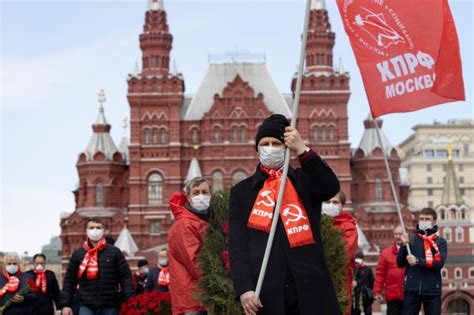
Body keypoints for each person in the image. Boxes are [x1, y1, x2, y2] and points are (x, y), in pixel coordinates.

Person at [229, 114, 341, 315]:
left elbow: (330, 187)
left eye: (276, 143)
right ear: (257, 149)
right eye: (265, 143)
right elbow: (238, 245)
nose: (270, 148)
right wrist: (244, 288)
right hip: (266, 292)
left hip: (309, 287)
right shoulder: (242, 192)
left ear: (286, 147)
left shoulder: (303, 181)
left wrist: (303, 150)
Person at [60, 217, 134, 315]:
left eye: (98, 227)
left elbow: (126, 278)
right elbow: (70, 280)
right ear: (87, 231)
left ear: (103, 231)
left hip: (110, 305)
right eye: (91, 227)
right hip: (86, 305)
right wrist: (66, 305)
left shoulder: (114, 252)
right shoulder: (78, 254)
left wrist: (128, 301)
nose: (95, 230)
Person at [168, 176, 212, 315]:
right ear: (188, 197)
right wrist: (217, 281)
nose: (201, 196)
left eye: (205, 192)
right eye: (196, 192)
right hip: (192, 298)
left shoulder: (202, 220)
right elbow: (194, 261)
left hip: (201, 296)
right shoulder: (185, 224)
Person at [397, 208, 447, 315]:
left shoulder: (440, 242)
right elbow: (400, 263)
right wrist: (403, 245)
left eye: (427, 219)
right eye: (421, 218)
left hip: (432, 290)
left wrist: (418, 261)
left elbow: (438, 263)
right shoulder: (411, 239)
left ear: (434, 221)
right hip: (412, 290)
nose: (424, 221)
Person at [322, 191, 358, 315]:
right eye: (327, 202)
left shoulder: (348, 226)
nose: (331, 205)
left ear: (342, 205)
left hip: (339, 278)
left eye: (335, 202)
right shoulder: (314, 223)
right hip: (316, 278)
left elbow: (345, 253)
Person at [374, 226, 405, 315]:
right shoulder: (386, 253)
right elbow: (380, 273)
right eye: (396, 234)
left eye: (400, 234)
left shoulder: (411, 251)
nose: (398, 236)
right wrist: (377, 291)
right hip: (392, 295)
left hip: (408, 295)